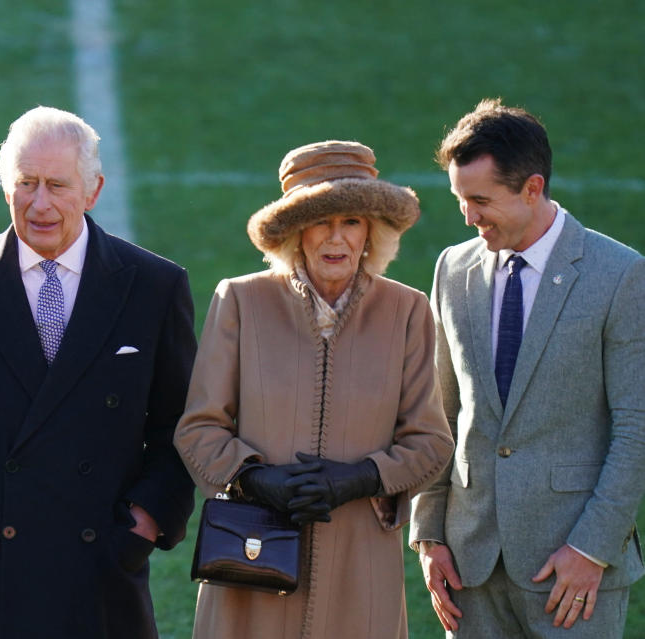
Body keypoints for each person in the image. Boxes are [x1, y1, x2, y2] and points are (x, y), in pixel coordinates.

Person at [0, 105, 197, 638]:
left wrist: (146, 521)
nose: (40, 204)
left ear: (93, 190)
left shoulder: (154, 286)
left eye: (57, 185)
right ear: (4, 187)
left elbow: (181, 424)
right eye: (25, 184)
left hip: (98, 563)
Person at [174, 140, 454, 639]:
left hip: (361, 560)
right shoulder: (240, 301)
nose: (336, 237)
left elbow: (430, 442)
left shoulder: (408, 311)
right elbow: (199, 428)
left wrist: (362, 478)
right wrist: (257, 480)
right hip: (252, 554)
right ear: (294, 232)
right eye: (321, 220)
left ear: (371, 231)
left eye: (351, 221)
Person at [410, 98, 645, 638]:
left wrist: (592, 548)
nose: (467, 216)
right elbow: (438, 410)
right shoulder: (452, 267)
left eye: (480, 200)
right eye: (459, 199)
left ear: (533, 188)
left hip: (572, 572)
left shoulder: (621, 275)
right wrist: (429, 533)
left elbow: (636, 428)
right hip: (470, 569)